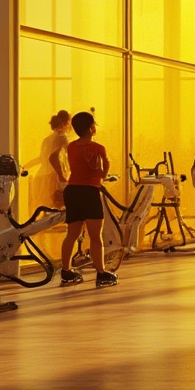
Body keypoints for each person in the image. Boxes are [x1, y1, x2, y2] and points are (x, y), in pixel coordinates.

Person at [58, 111, 116, 287]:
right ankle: (101, 273)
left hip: (72, 191)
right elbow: (105, 167)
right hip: (89, 192)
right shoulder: (99, 148)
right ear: (91, 128)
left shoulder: (71, 147)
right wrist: (103, 175)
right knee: (95, 236)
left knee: (72, 234)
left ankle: (66, 271)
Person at [30, 110, 72, 210]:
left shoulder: (47, 139)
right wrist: (62, 176)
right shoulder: (63, 138)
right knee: (58, 208)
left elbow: (41, 158)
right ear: (66, 122)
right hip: (55, 177)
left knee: (46, 208)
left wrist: (26, 166)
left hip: (43, 177)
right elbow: (54, 158)